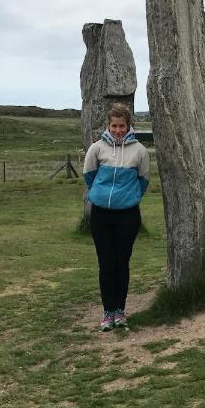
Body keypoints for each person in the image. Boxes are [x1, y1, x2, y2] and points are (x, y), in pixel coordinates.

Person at [83, 104, 150, 331]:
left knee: (122, 263)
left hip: (128, 216)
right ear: (108, 125)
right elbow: (89, 176)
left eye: (122, 126)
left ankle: (120, 310)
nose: (118, 130)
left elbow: (143, 181)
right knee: (106, 264)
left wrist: (127, 198)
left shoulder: (139, 150)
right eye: (114, 126)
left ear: (128, 125)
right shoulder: (97, 149)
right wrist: (101, 196)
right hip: (101, 215)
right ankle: (107, 311)